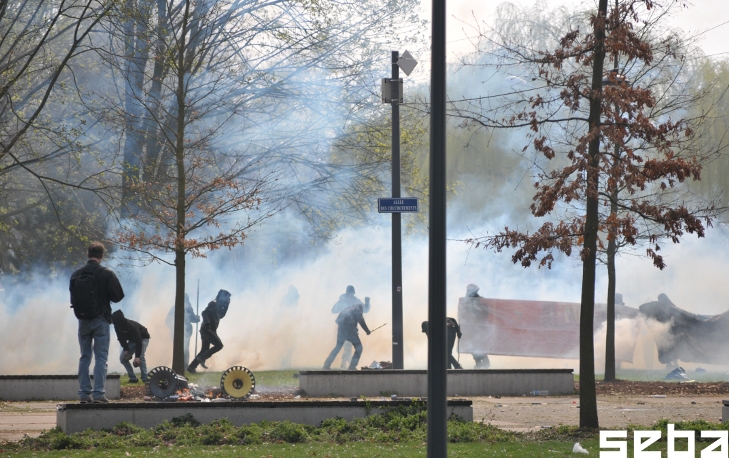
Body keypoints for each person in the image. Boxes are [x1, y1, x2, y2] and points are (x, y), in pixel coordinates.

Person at [69, 241, 124, 403]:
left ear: (88, 255)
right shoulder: (106, 273)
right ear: (102, 256)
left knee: (84, 357)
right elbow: (118, 296)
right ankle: (99, 394)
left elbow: (72, 296)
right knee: (101, 358)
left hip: (83, 319)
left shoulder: (76, 274)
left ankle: (84, 394)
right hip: (101, 319)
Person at [187, 289, 231, 373]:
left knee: (204, 349)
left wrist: (226, 305)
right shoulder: (213, 304)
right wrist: (207, 323)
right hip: (207, 329)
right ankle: (202, 358)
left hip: (209, 329)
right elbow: (204, 313)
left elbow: (221, 315)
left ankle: (191, 367)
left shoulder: (217, 307)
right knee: (219, 345)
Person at [331, 285, 370, 369]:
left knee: (344, 346)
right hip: (347, 329)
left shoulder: (356, 302)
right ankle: (349, 365)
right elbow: (333, 310)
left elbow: (365, 310)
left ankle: (344, 363)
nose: (350, 296)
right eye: (349, 293)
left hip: (347, 328)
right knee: (351, 347)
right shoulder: (343, 302)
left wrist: (367, 302)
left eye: (351, 293)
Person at [323, 301, 371, 370]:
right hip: (351, 333)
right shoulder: (358, 310)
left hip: (341, 332)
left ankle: (326, 365)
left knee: (337, 348)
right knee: (359, 348)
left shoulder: (346, 309)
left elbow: (337, 321)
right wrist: (367, 331)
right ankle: (352, 367)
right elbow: (361, 321)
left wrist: (343, 328)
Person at [111, 310, 150, 383]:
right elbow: (121, 339)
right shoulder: (117, 326)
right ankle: (133, 378)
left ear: (119, 320)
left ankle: (145, 378)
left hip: (143, 338)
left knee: (141, 357)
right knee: (122, 359)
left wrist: (137, 356)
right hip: (132, 340)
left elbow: (139, 341)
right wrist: (126, 349)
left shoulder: (131, 326)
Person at [165, 293, 200, 367]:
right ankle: (184, 366)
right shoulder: (188, 307)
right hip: (185, 330)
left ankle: (177, 365)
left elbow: (167, 321)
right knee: (185, 348)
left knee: (177, 348)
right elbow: (193, 319)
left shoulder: (174, 307)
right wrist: (197, 319)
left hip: (175, 331)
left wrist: (172, 328)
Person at [464, 284, 490, 369]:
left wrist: (477, 310)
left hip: (479, 327)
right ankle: (479, 361)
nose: (467, 292)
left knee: (479, 345)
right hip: (470, 327)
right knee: (472, 345)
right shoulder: (466, 301)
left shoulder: (482, 301)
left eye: (469, 290)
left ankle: (485, 361)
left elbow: (486, 313)